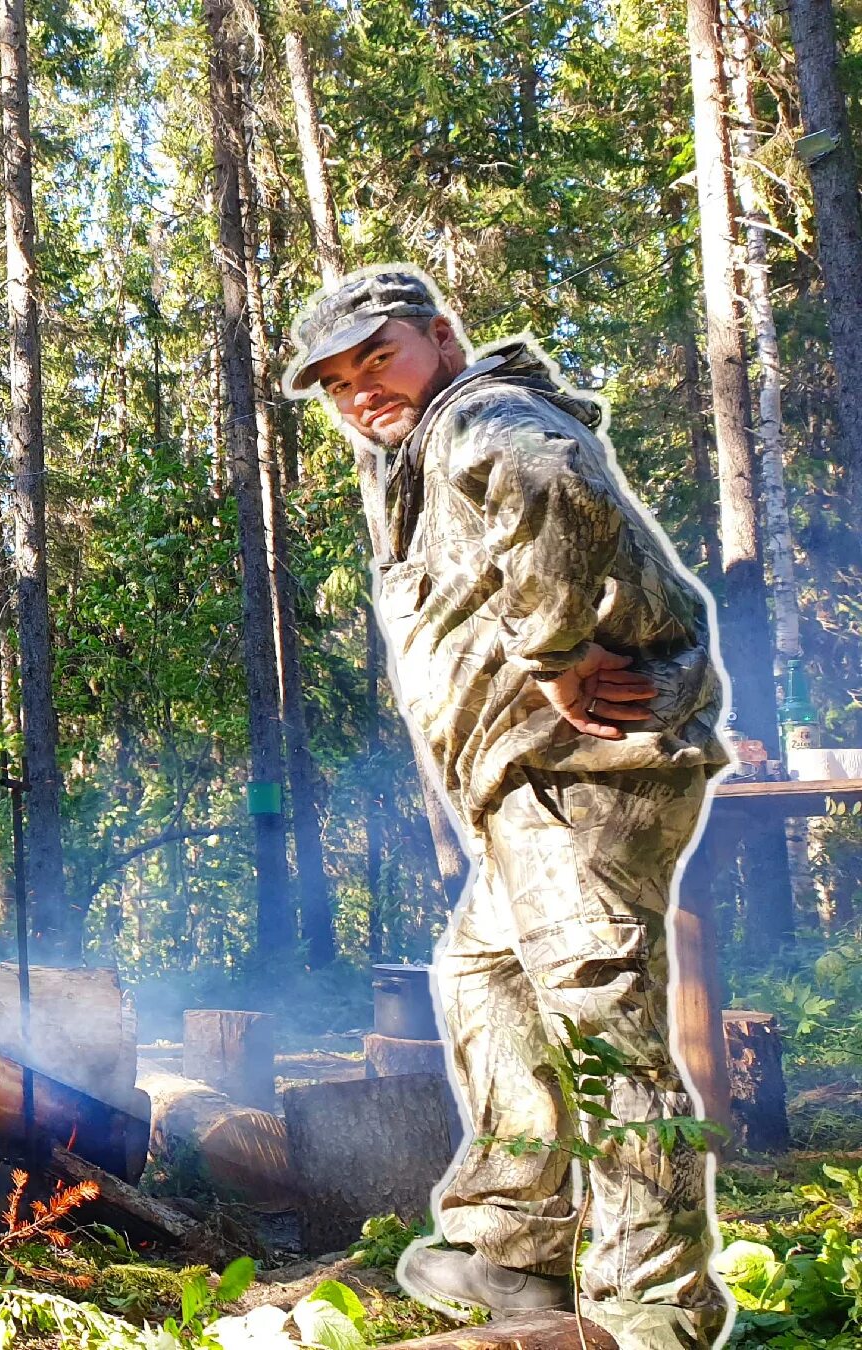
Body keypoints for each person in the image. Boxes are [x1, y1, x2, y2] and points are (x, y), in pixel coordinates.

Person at [285, 267, 733, 1350]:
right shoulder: (415, 455)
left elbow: (551, 480)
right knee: (484, 978)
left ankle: (653, 1298)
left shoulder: (481, 415)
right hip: (526, 791)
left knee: (601, 1024)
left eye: (376, 358)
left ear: (440, 338)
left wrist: (561, 653)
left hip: (580, 781)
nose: (360, 392)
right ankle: (514, 1247)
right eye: (338, 383)